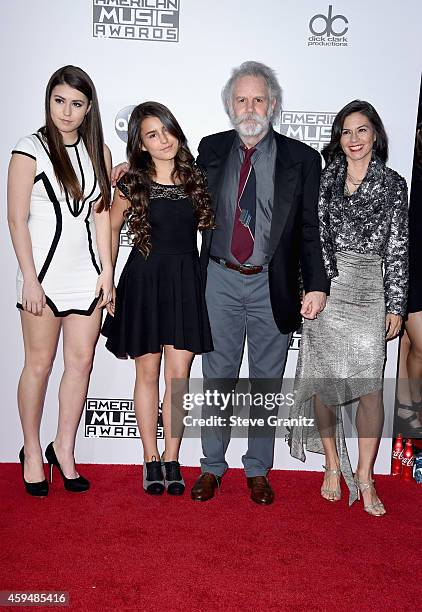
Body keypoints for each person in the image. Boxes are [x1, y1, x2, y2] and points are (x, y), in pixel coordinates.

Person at [191, 60, 329, 505]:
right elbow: (174, 187)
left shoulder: (302, 159)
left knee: (267, 381)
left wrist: (317, 284)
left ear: (273, 104)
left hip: (275, 282)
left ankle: (257, 469)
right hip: (220, 279)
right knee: (217, 378)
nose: (250, 108)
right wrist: (128, 173)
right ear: (230, 105)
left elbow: (311, 228)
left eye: (258, 99)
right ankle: (211, 467)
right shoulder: (209, 149)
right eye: (241, 99)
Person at [289, 100, 408, 516]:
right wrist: (313, 289)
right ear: (338, 140)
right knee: (325, 386)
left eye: (362, 130)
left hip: (370, 291)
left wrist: (396, 303)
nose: (354, 139)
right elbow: (312, 239)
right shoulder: (324, 180)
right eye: (346, 132)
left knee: (371, 390)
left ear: (375, 134)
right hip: (328, 291)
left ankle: (365, 475)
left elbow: (397, 247)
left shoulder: (393, 184)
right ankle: (333, 464)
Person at [7, 65, 112, 496]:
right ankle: (31, 450)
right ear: (49, 101)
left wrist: (108, 272)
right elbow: (16, 220)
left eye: (76, 104)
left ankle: (63, 449)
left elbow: (102, 216)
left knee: (80, 366)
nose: (66, 112)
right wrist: (30, 280)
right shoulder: (28, 149)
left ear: (88, 109)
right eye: (59, 101)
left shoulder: (99, 153)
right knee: (39, 365)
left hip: (87, 277)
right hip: (43, 279)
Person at [103, 101, 214, 496]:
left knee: (178, 380)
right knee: (146, 375)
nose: (163, 139)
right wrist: (107, 277)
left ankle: (172, 457)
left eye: (166, 130)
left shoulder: (197, 176)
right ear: (142, 144)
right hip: (145, 281)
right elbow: (110, 227)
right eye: (152, 134)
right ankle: (149, 460)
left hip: (186, 282)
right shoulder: (131, 182)